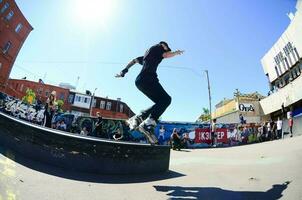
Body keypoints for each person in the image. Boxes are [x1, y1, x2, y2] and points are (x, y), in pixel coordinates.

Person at [116, 41, 184, 144]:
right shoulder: (157, 48)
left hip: (140, 81)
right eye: (166, 48)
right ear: (163, 45)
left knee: (160, 103)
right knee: (166, 99)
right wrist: (175, 53)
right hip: (149, 79)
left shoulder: (145, 56)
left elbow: (133, 61)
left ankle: (139, 118)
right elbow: (166, 55)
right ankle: (147, 125)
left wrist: (124, 71)